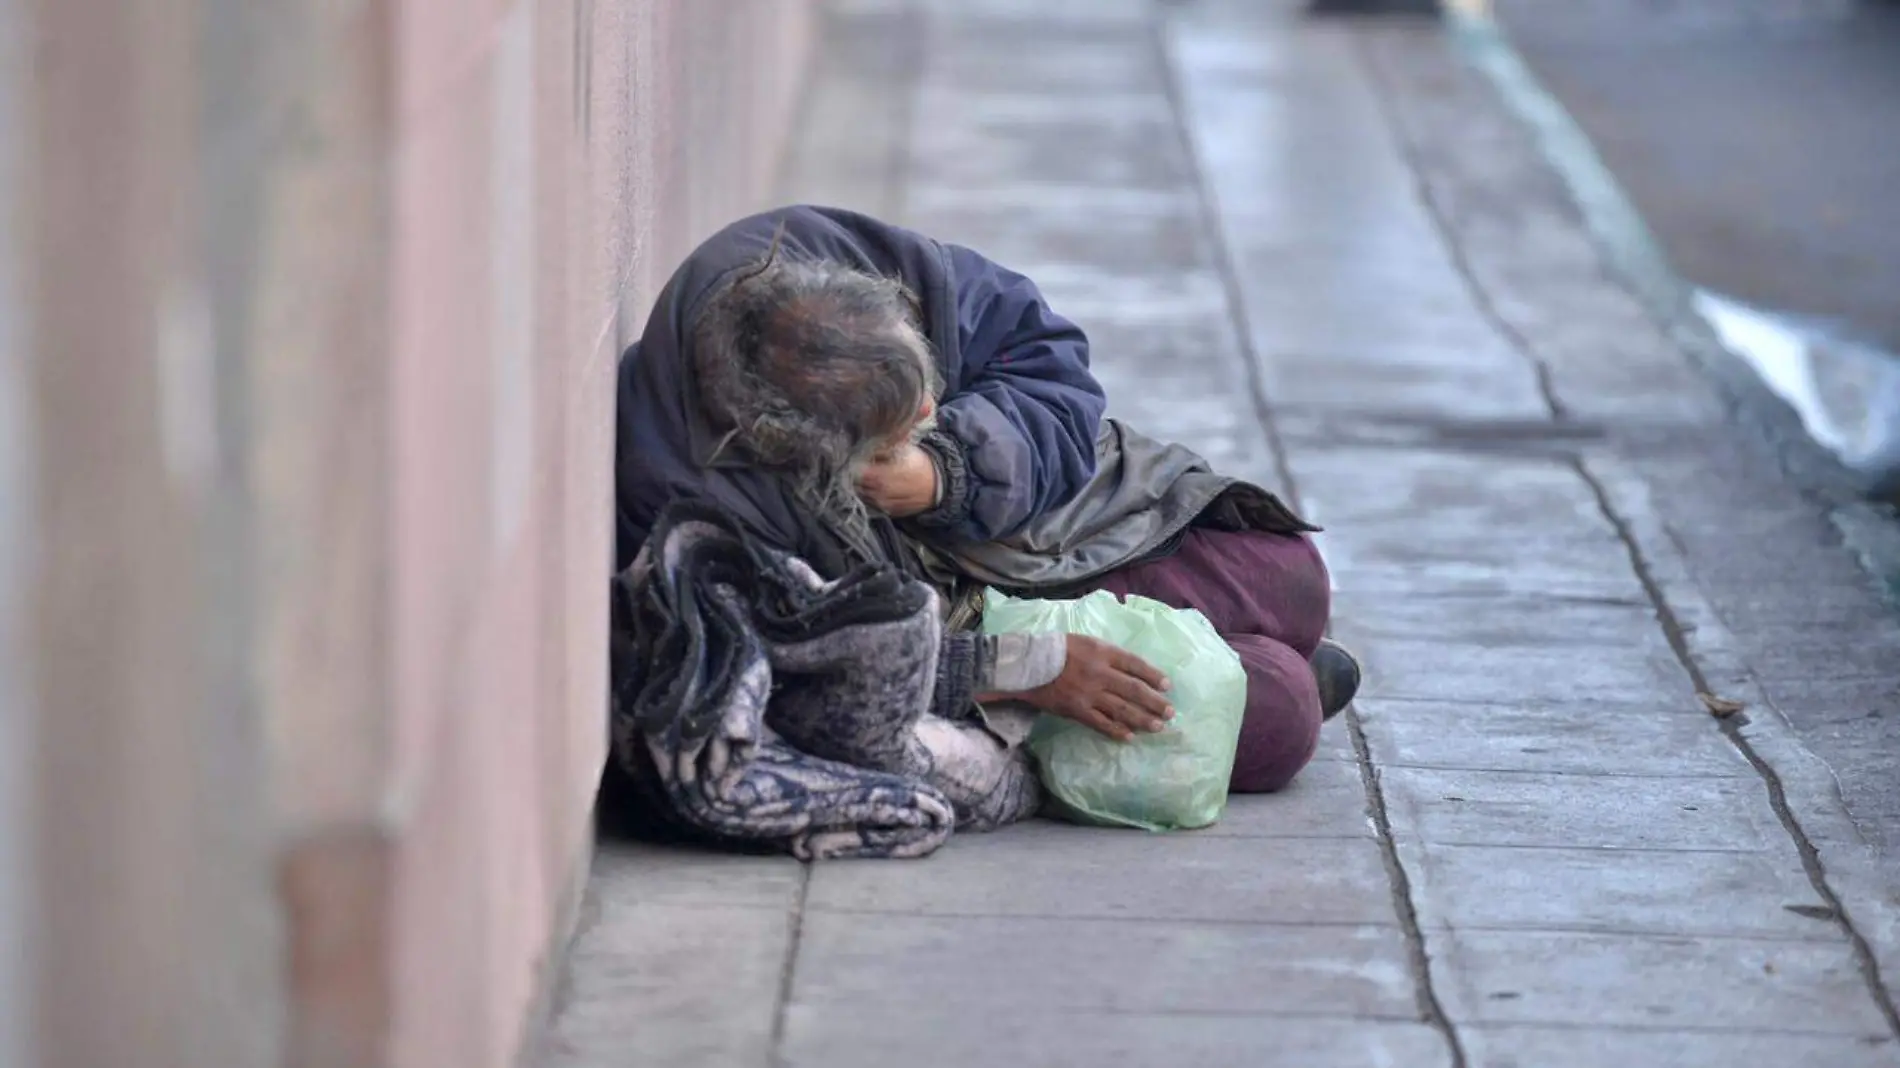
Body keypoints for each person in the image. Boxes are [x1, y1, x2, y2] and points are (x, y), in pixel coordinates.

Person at [616, 205, 1359, 794]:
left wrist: (948, 473)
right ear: (814, 458)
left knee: (1292, 573)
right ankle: (1249, 666)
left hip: (1021, 522)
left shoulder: (830, 254)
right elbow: (811, 688)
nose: (931, 413)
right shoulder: (702, 517)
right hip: (964, 623)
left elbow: (1049, 369)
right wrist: (1021, 670)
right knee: (1278, 719)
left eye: (928, 393)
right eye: (890, 440)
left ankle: (1239, 645)